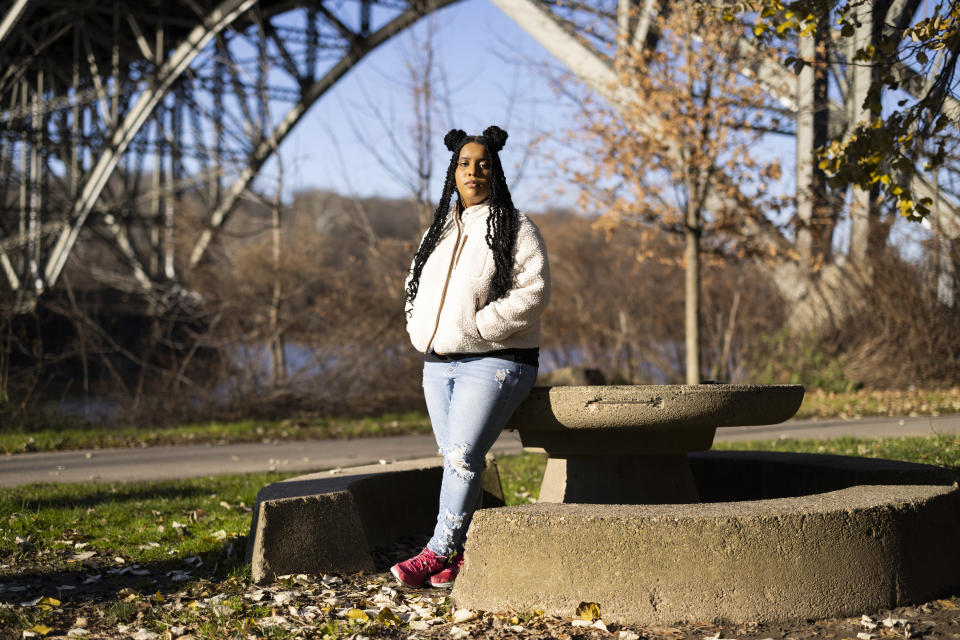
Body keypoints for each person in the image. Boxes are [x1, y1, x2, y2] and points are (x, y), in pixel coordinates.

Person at [391, 126, 550, 589]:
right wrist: (419, 327)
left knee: (462, 457)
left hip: (498, 360)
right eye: (465, 163)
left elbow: (534, 292)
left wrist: (479, 328)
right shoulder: (439, 228)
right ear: (453, 171)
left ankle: (436, 551)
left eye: (483, 164)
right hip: (438, 364)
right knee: (457, 459)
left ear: (495, 170)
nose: (473, 171)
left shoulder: (515, 226)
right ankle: (466, 556)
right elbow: (414, 284)